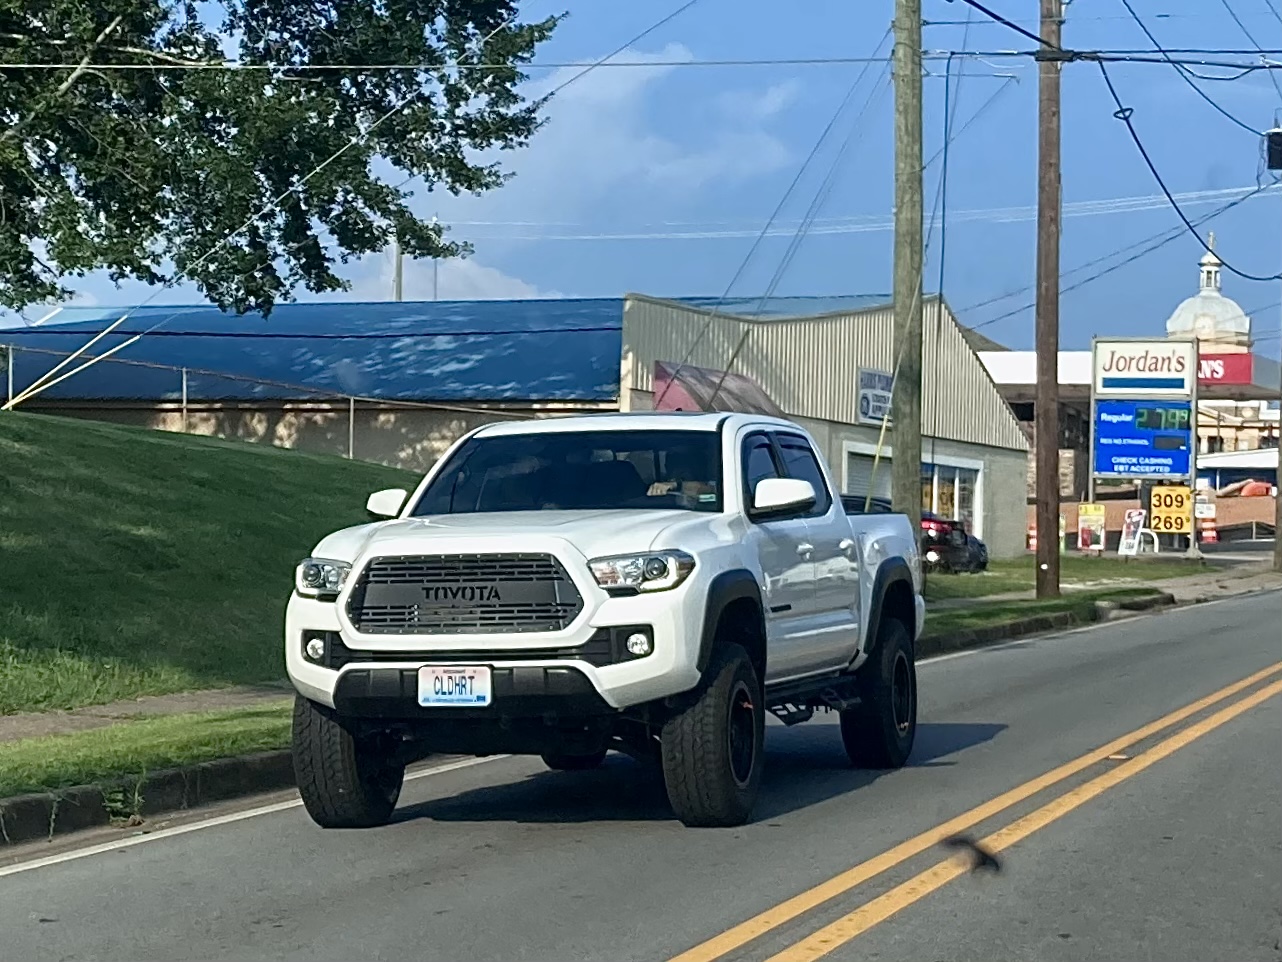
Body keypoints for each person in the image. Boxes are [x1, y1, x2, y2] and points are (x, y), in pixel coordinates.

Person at [647, 445, 717, 500]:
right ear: (667, 467)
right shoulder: (658, 488)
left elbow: (709, 489)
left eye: (687, 463)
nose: (680, 469)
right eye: (675, 463)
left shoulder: (715, 485)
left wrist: (675, 485)